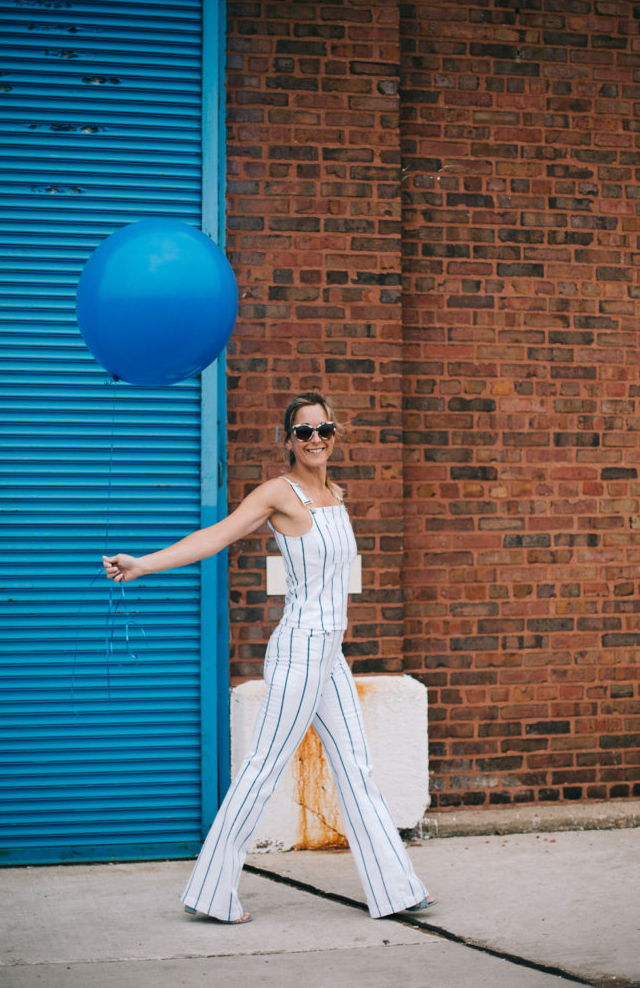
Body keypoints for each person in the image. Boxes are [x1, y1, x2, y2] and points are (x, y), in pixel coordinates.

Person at [103, 391, 434, 925]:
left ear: (334, 434)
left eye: (324, 429)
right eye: (303, 432)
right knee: (261, 769)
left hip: (330, 653)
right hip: (300, 650)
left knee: (356, 767)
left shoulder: (335, 494)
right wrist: (144, 564)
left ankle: (396, 889)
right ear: (288, 440)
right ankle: (211, 892)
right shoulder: (279, 494)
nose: (315, 439)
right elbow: (217, 536)